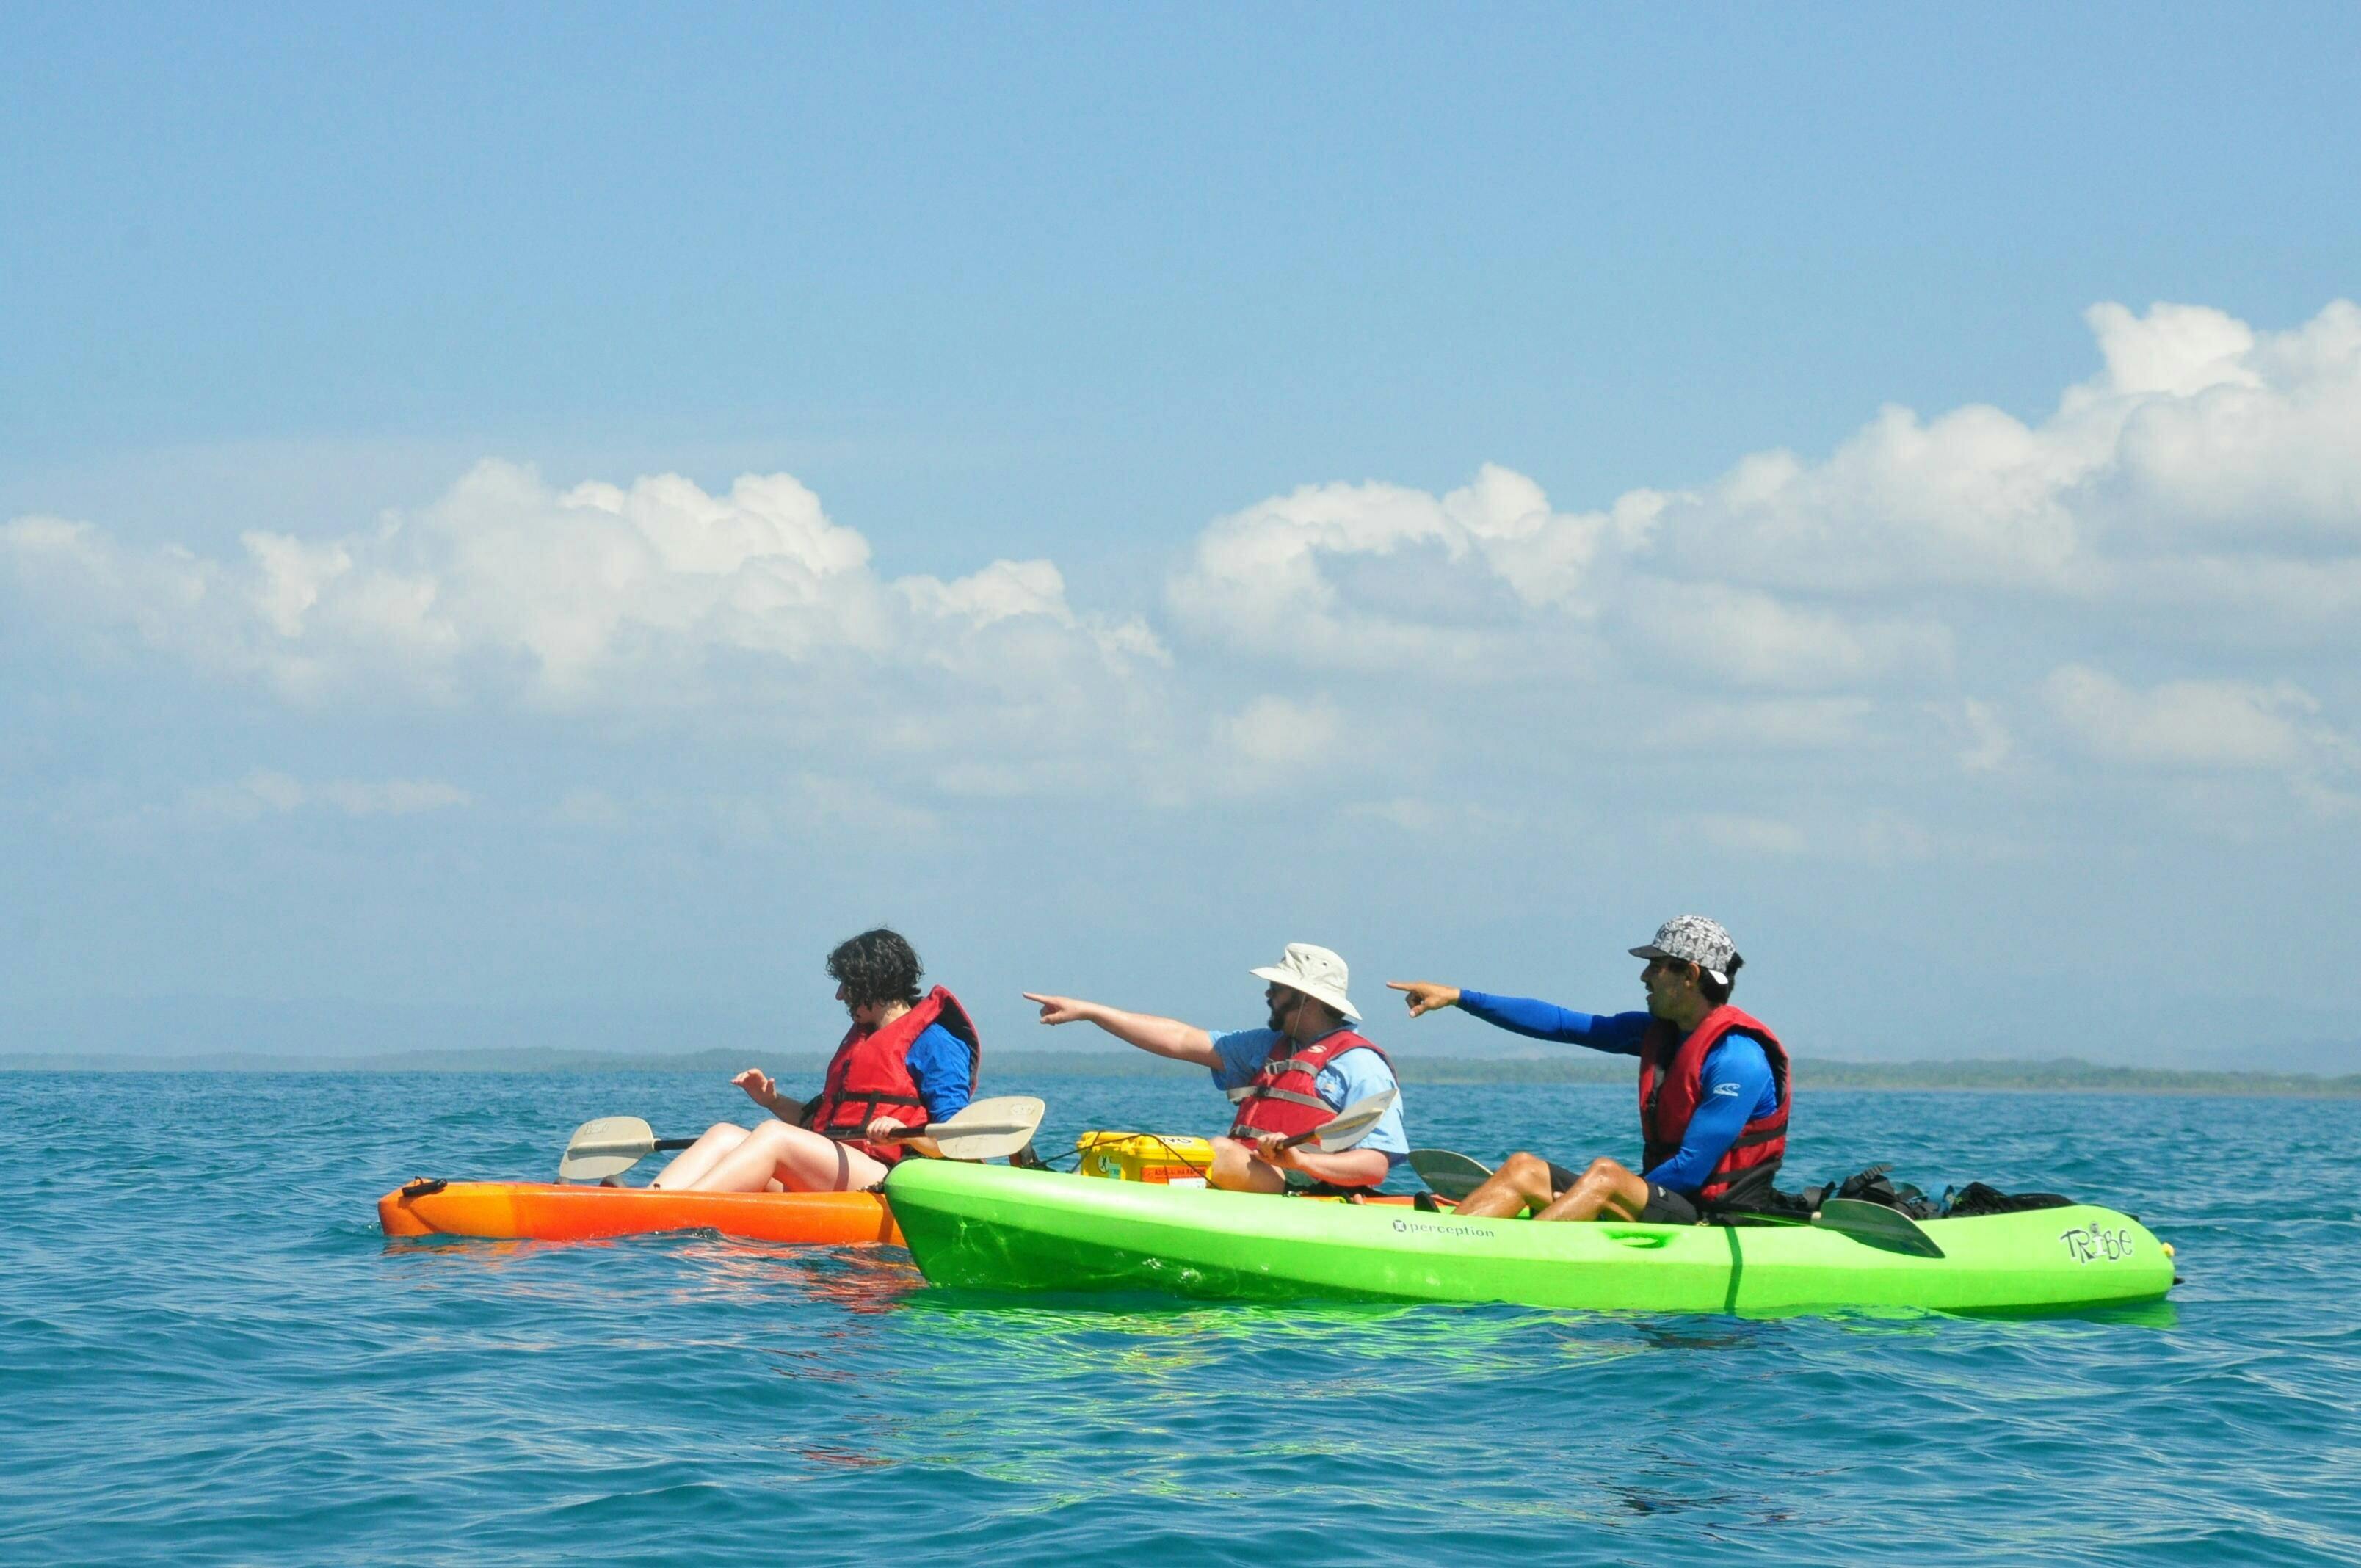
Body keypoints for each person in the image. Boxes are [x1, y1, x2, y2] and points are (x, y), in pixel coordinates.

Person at [1388, 915, 1788, 1223]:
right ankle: (1447, 1247)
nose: (1644, 976)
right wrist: (1460, 997)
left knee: (1606, 1175)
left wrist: (1591, 1196)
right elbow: (1560, 1023)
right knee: (1524, 1169)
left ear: (1691, 976)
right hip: (1661, 1199)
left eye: (1657, 965)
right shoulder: (1658, 1033)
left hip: (1717, 1218)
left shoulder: (1738, 1057)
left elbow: (1690, 1170)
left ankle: (1518, 1256)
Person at [1023, 943, 1407, 1194]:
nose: (1268, 995)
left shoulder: (1360, 1065)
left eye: (1278, 988)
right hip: (1252, 1178)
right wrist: (1091, 1012)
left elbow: (1374, 1166)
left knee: (1220, 1152)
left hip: (1307, 1189)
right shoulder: (1265, 1047)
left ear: (1306, 999)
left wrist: (1302, 1160)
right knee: (1146, 1151)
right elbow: (1179, 1039)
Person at [650, 928, 978, 1193]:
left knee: (773, 1136)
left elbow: (958, 1143)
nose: (840, 996)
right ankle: (650, 1199)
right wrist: (772, 1101)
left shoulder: (936, 1043)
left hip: (891, 1177)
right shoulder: (863, 1039)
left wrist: (905, 1132)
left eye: (848, 985)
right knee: (724, 1134)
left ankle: (678, 1211)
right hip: (837, 1169)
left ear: (873, 982)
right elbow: (818, 1127)